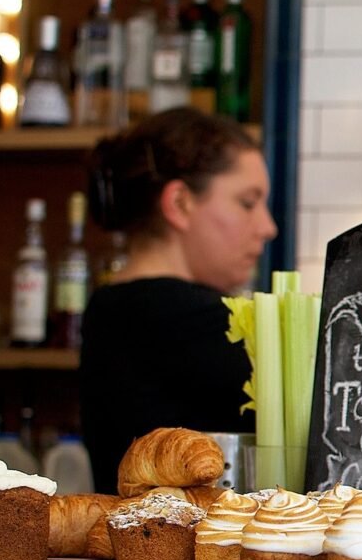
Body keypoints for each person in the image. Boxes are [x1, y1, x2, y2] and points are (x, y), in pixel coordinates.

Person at [80, 107, 278, 494]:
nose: (267, 227)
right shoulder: (179, 317)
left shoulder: (114, 308)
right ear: (180, 204)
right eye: (247, 202)